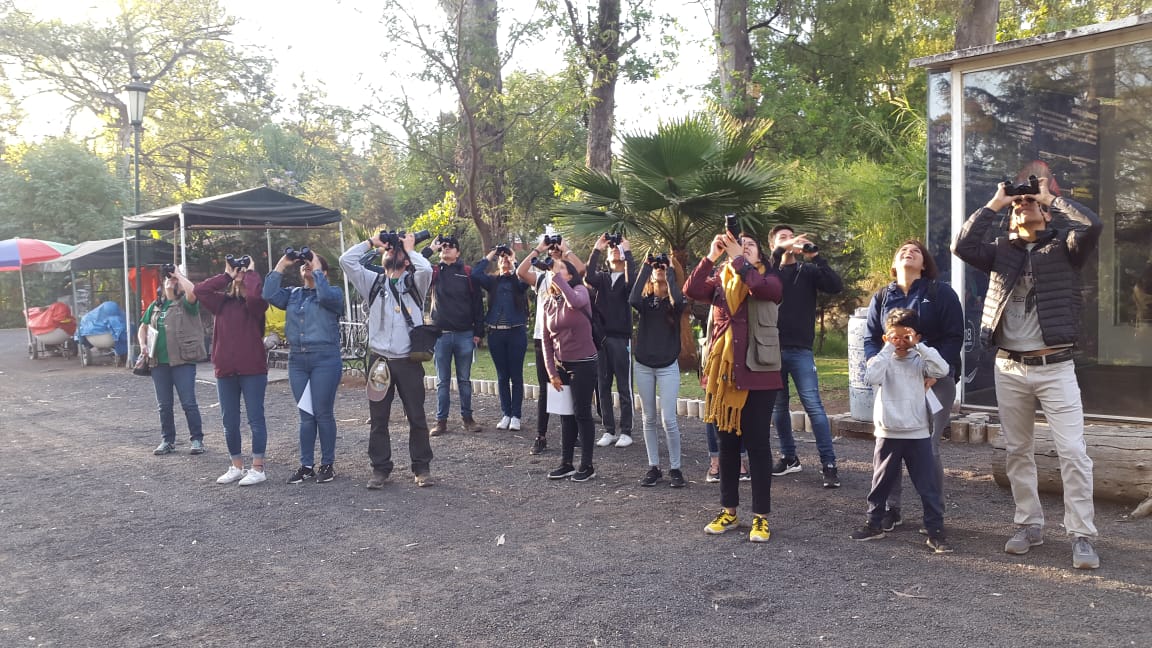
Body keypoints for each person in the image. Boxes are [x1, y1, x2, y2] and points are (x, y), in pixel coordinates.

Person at [952, 176, 1102, 570]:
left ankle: (1081, 534)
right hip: (1010, 367)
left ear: (1046, 213)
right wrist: (997, 202)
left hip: (1056, 366)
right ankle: (1028, 524)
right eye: (1018, 205)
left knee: (1073, 452)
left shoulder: (1065, 248)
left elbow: (1092, 225)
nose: (1023, 205)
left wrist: (1050, 196)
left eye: (1029, 202)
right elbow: (962, 246)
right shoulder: (1000, 251)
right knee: (1018, 450)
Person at [685, 230, 783, 543]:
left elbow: (760, 288)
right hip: (724, 376)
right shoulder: (720, 280)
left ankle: (761, 517)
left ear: (760, 255)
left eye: (750, 245)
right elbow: (691, 289)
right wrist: (712, 255)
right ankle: (729, 511)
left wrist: (739, 259)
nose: (743, 248)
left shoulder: (770, 279)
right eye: (739, 245)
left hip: (759, 374)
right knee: (727, 445)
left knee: (757, 445)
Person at [863, 239, 963, 531]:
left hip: (934, 381)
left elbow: (954, 336)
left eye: (916, 251)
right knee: (890, 443)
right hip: (894, 380)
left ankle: (934, 515)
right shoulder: (882, 297)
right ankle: (890, 510)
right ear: (894, 264)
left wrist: (935, 372)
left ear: (924, 263)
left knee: (927, 447)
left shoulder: (940, 293)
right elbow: (870, 338)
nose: (909, 253)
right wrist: (877, 366)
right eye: (903, 251)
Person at [851, 308, 953, 553]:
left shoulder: (920, 360)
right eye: (894, 337)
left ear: (916, 336)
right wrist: (887, 348)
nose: (899, 342)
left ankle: (935, 531)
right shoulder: (882, 359)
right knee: (880, 483)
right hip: (888, 432)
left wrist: (920, 347)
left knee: (927, 486)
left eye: (905, 337)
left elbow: (942, 369)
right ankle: (874, 523)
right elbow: (871, 376)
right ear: (885, 337)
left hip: (917, 432)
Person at [340, 232, 435, 488]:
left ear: (406, 260)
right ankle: (380, 469)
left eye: (397, 250)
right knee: (378, 419)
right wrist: (372, 243)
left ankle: (421, 468)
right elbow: (345, 261)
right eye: (390, 249)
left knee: (416, 416)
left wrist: (410, 248)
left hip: (408, 361)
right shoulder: (372, 282)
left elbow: (426, 269)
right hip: (379, 361)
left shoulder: (415, 283)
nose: (392, 251)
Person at [767, 225, 844, 488]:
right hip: (772, 350)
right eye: (783, 239)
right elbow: (761, 277)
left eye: (793, 238)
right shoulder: (770, 273)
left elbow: (835, 285)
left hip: (801, 349)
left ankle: (829, 464)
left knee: (814, 406)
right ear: (773, 246)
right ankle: (789, 457)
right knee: (779, 407)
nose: (791, 242)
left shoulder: (808, 271)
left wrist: (816, 257)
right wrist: (780, 252)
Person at [263, 250, 343, 484]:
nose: (306, 266)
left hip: (325, 358)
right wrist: (283, 263)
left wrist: (315, 266)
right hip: (298, 360)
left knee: (322, 412)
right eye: (303, 265)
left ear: (323, 272)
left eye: (312, 264)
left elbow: (325, 296)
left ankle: (327, 464)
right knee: (306, 415)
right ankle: (306, 466)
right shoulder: (293, 294)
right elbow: (268, 293)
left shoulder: (333, 293)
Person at [195, 256, 270, 486]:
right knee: (229, 420)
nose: (240, 274)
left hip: (252, 369)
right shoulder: (221, 303)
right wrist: (227, 275)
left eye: (243, 272)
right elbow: (200, 290)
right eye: (239, 271)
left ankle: (258, 468)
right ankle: (236, 466)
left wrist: (251, 273)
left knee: (255, 418)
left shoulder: (256, 305)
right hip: (225, 369)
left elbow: (255, 297)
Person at [516, 238, 586, 455]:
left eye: (556, 248)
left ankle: (573, 434)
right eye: (551, 248)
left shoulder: (569, 277)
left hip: (567, 340)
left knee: (571, 387)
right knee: (546, 388)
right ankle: (541, 435)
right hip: (543, 338)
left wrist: (566, 250)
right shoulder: (541, 279)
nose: (553, 251)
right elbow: (521, 271)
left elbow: (582, 269)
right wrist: (539, 249)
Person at [629, 254, 686, 487]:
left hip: (667, 366)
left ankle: (675, 468)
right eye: (657, 268)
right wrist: (646, 267)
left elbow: (678, 301)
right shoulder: (645, 302)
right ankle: (653, 466)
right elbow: (632, 298)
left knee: (669, 419)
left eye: (662, 267)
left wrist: (670, 270)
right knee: (648, 418)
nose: (659, 269)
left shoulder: (675, 302)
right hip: (644, 365)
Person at [540, 257, 598, 482]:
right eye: (553, 270)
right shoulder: (548, 302)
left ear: (570, 275)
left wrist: (556, 276)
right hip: (561, 364)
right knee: (565, 415)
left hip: (584, 362)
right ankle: (566, 463)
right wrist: (551, 372)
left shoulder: (580, 291)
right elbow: (546, 340)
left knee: (581, 413)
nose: (555, 272)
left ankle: (587, 465)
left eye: (561, 269)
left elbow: (574, 302)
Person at [140, 268, 206, 456]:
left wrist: (178, 274)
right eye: (168, 279)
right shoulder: (156, 305)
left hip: (183, 361)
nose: (171, 281)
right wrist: (143, 344)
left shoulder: (186, 303)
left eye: (174, 280)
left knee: (188, 403)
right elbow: (143, 327)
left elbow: (193, 292)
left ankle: (197, 440)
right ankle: (167, 440)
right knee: (164, 405)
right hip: (158, 362)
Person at [426, 236, 484, 435]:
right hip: (440, 335)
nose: (447, 249)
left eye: (451, 247)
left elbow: (478, 303)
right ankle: (441, 421)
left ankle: (467, 418)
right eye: (444, 246)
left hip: (464, 334)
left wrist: (478, 332)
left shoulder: (467, 273)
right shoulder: (433, 272)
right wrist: (431, 248)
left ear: (458, 252)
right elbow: (414, 267)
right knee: (442, 381)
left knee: (464, 380)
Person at [586, 234, 637, 449]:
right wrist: (597, 248)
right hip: (602, 338)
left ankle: (626, 431)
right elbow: (589, 276)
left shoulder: (627, 279)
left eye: (618, 248)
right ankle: (609, 429)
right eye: (612, 249)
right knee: (603, 385)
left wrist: (628, 251)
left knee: (624, 386)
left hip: (621, 338)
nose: (614, 249)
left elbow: (633, 283)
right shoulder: (602, 279)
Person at [473, 245, 530, 431]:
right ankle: (506, 413)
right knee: (502, 376)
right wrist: (492, 254)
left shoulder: (518, 281)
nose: (505, 261)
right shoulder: (492, 281)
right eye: (502, 259)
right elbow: (475, 274)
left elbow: (526, 276)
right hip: (496, 333)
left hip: (516, 332)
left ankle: (516, 416)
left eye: (507, 259)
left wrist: (514, 259)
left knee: (516, 375)